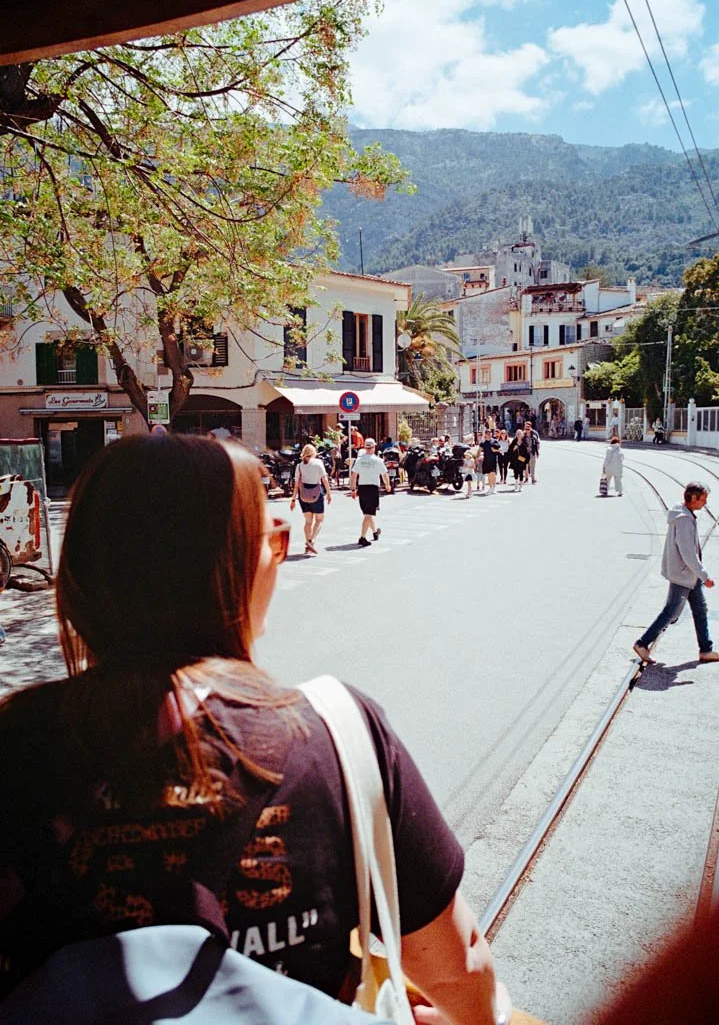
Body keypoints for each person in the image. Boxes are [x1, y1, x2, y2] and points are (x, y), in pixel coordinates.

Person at [0, 435, 510, 1024]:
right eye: (274, 539)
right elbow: (459, 964)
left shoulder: (16, 741)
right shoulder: (338, 736)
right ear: (236, 567)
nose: (278, 554)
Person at [633, 482, 719, 665]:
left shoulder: (683, 513)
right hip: (683, 574)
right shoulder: (684, 520)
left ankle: (706, 650)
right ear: (693, 498)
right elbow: (688, 553)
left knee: (700, 610)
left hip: (688, 575)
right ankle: (642, 643)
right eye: (702, 499)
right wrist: (704, 575)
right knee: (671, 612)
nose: (704, 503)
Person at [290, 443, 332, 555]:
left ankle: (308, 545)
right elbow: (324, 479)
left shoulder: (299, 466)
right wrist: (328, 493)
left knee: (308, 521)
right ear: (314, 453)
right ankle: (311, 541)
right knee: (319, 520)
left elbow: (296, 484)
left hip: (303, 494)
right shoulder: (318, 463)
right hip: (316, 493)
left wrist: (293, 499)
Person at [350, 437, 391, 547]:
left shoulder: (359, 460)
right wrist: (387, 485)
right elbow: (384, 474)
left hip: (362, 488)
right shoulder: (378, 460)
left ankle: (375, 531)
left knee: (368, 513)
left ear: (364, 447)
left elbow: (354, 475)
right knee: (368, 514)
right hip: (372, 489)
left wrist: (353, 489)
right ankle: (362, 537)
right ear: (374, 447)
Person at [479, 430, 499, 495]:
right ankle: (491, 488)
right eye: (487, 433)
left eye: (490, 433)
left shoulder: (495, 441)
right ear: (485, 434)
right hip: (486, 460)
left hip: (493, 460)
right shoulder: (483, 443)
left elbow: (500, 449)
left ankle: (493, 488)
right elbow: (480, 451)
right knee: (489, 475)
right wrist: (478, 457)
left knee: (492, 474)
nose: (489, 434)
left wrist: (495, 450)